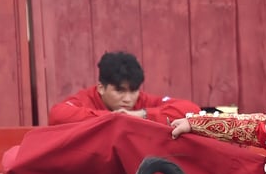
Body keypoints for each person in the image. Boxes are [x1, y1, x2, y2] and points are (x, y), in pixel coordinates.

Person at [47, 51, 201, 125]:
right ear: (101, 88)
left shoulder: (142, 100)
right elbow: (57, 115)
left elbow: (192, 109)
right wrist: (115, 118)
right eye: (119, 91)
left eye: (133, 91)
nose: (128, 99)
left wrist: (142, 115)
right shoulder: (85, 99)